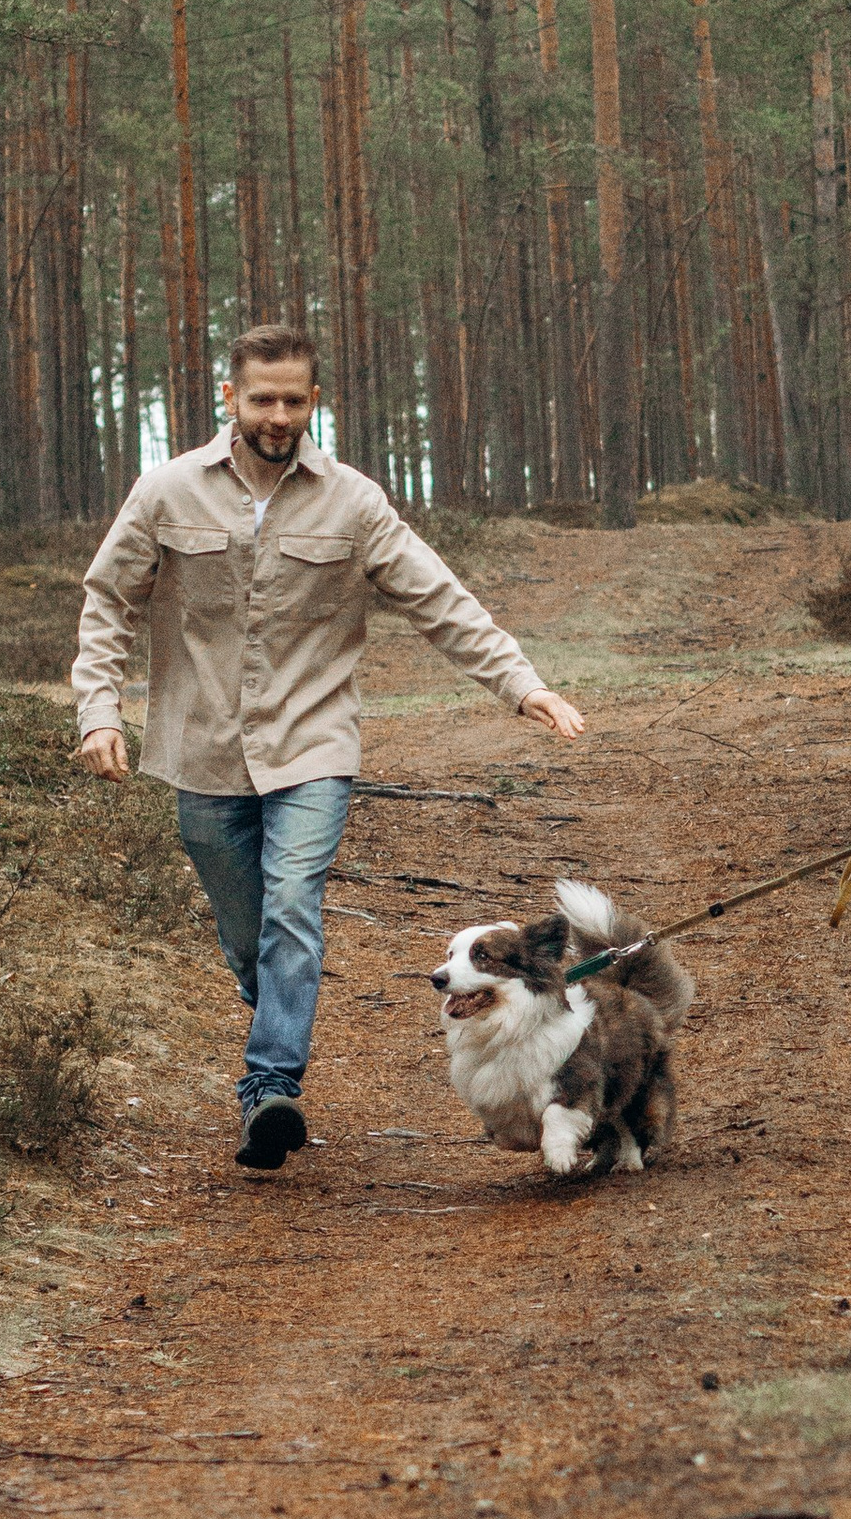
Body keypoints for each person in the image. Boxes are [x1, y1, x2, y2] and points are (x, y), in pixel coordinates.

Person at [73, 321, 585, 1172]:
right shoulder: (164, 491)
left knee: (291, 911)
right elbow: (107, 602)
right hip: (198, 750)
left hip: (313, 746)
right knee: (250, 939)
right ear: (229, 398)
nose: (278, 415)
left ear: (315, 401)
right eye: (262, 398)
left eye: (294, 399)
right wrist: (98, 710)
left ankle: (268, 1089)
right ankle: (276, 1004)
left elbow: (438, 597)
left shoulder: (354, 501)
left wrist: (522, 683)